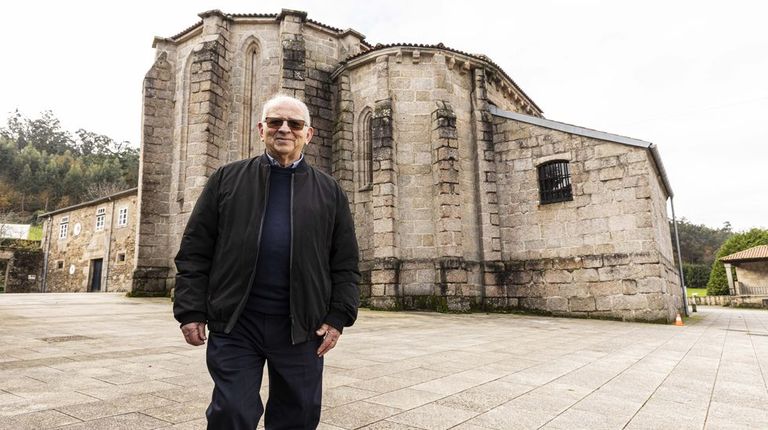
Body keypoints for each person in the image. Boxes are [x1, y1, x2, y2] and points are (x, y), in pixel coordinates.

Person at [173, 94, 361, 429]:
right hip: (236, 322)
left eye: (295, 124)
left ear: (308, 134)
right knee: (232, 412)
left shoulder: (330, 191)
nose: (284, 129)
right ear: (261, 129)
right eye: (275, 122)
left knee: (298, 416)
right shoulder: (226, 179)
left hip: (303, 326)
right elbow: (194, 250)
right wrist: (190, 310)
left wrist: (337, 317)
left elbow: (345, 262)